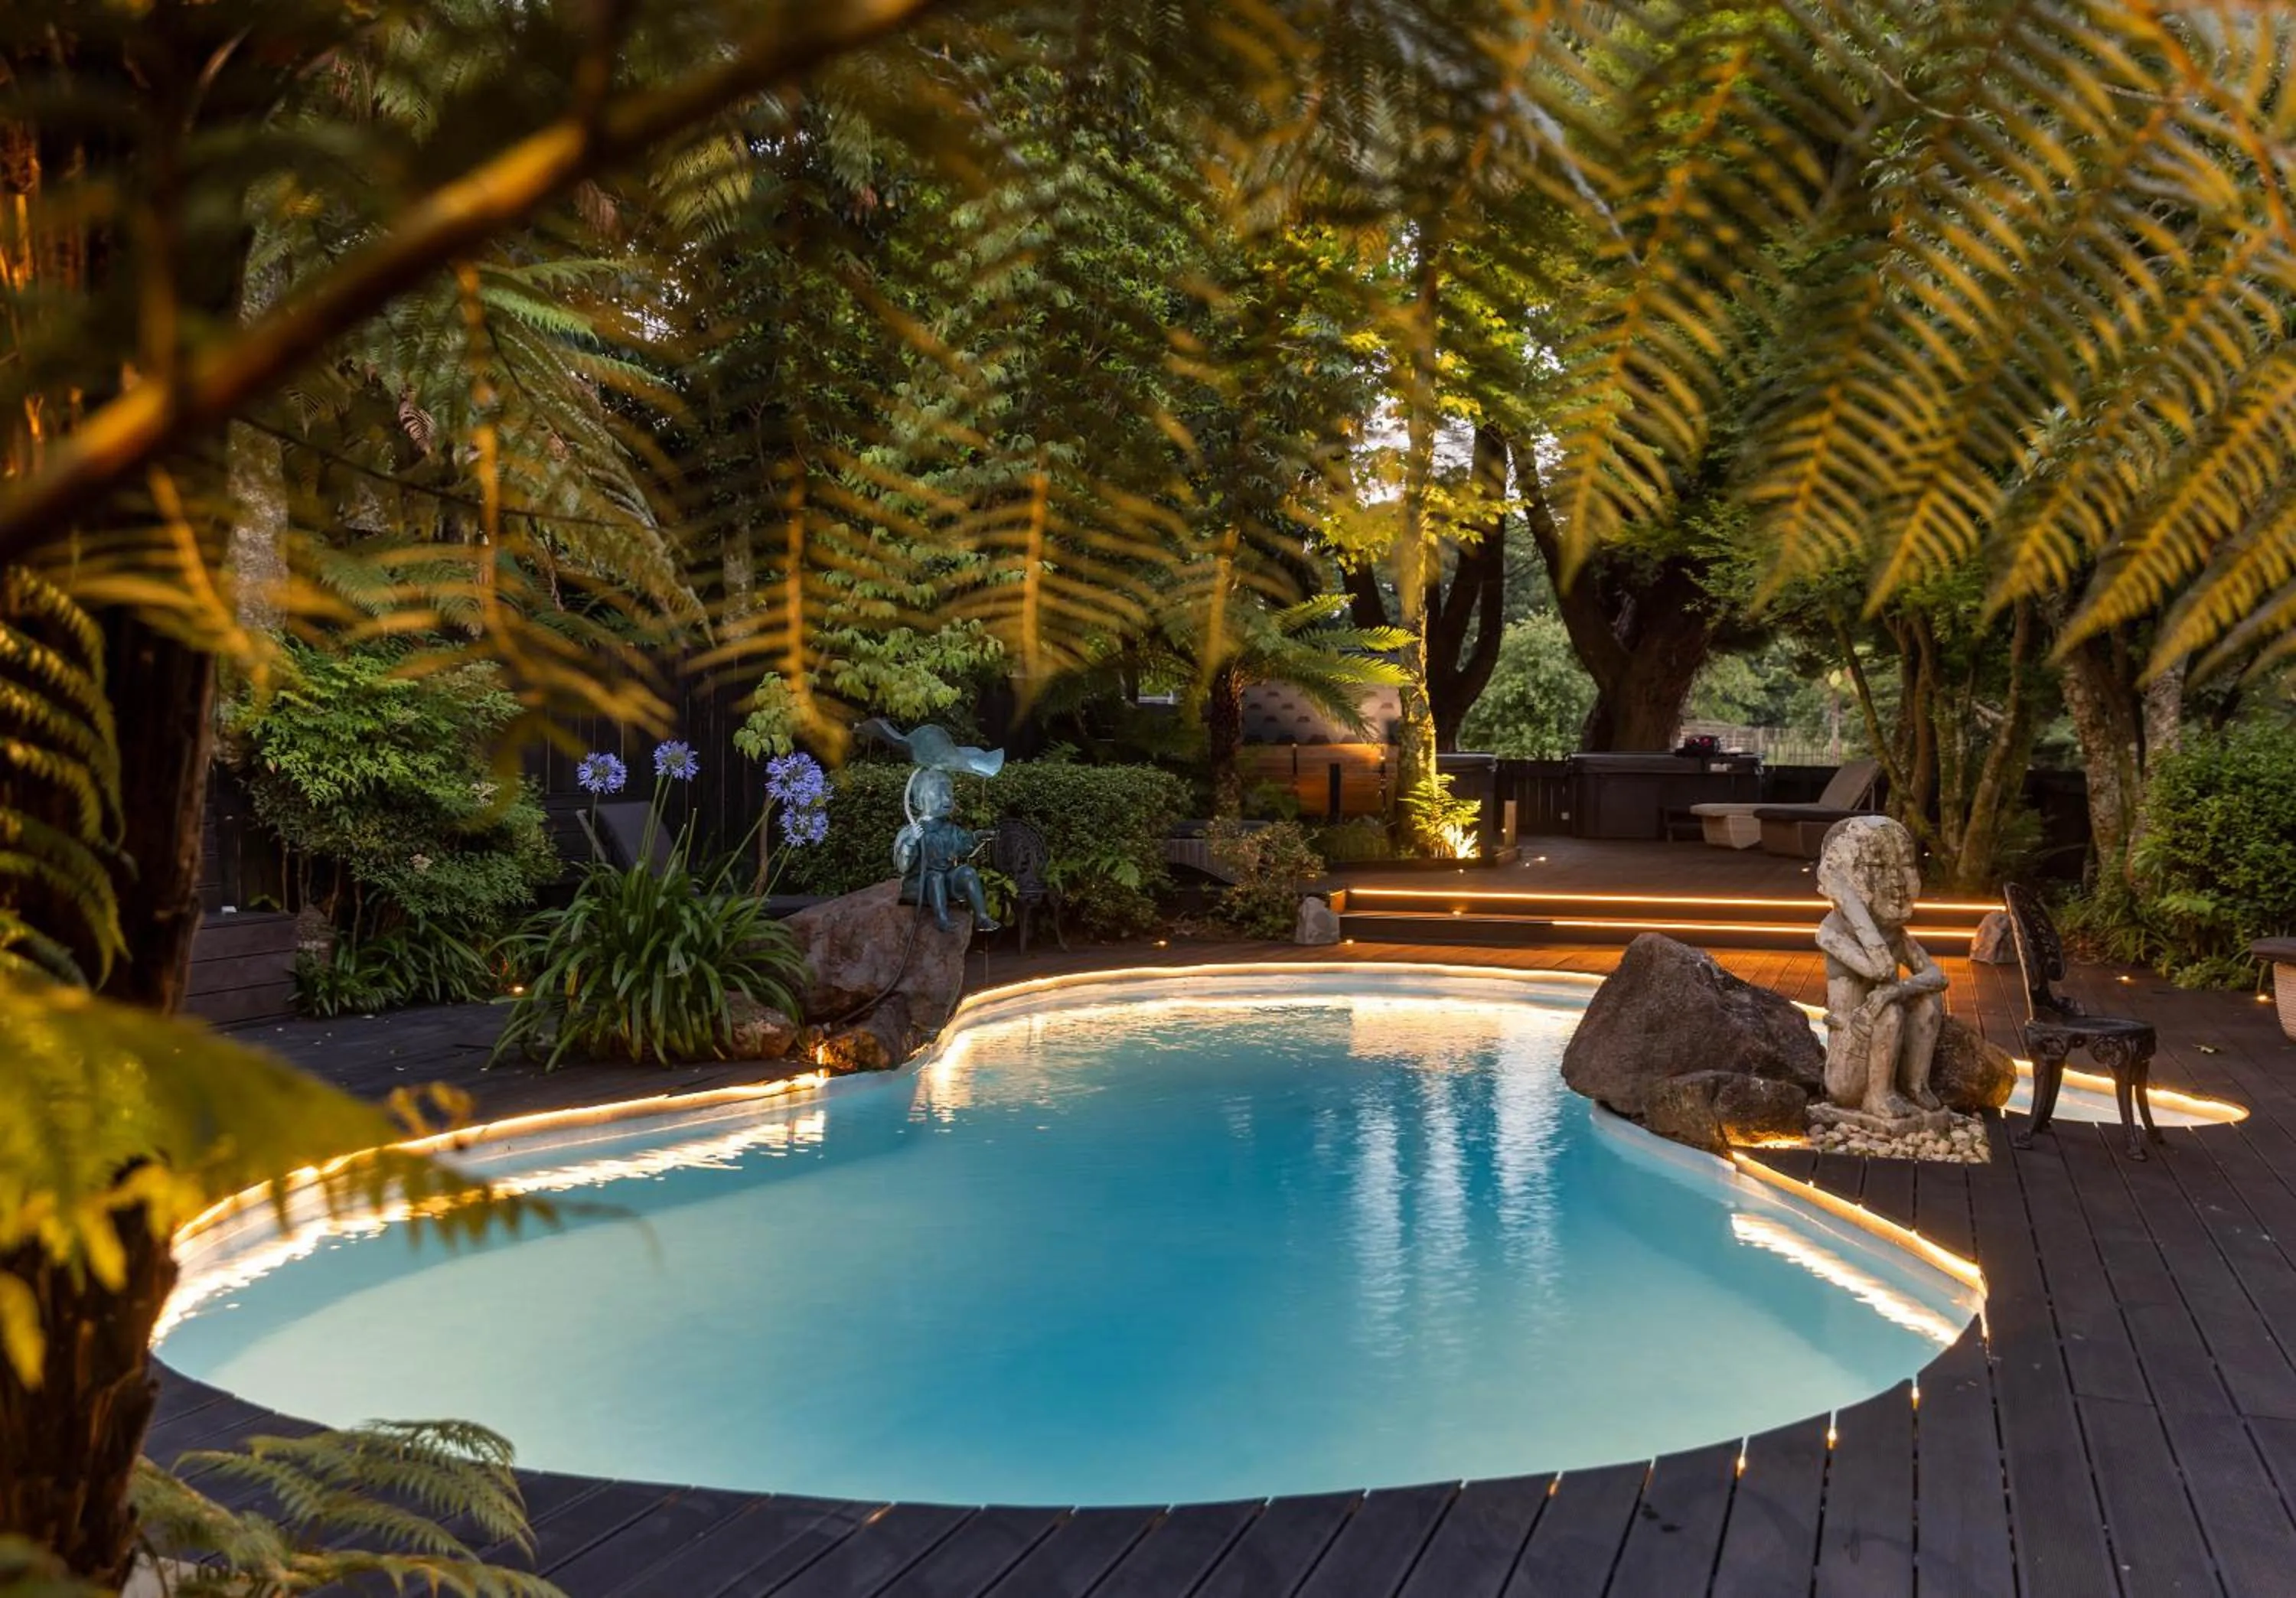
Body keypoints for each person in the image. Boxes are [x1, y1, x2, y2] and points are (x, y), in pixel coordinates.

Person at [1815, 815, 1947, 1125]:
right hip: (1846, 1072)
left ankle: (1915, 1085)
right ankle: (1877, 1097)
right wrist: (1847, 899)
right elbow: (1881, 968)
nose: (1898, 882)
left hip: (1883, 1040)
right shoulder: (1831, 933)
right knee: (1888, 1013)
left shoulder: (1895, 935)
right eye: (1878, 869)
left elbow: (1938, 976)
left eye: (1904, 866)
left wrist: (1898, 990)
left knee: (1928, 1002)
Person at [893, 768, 1000, 934]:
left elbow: (964, 844)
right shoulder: (911, 831)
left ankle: (982, 917)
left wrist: (978, 836)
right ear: (919, 802)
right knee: (935, 877)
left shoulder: (950, 830)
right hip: (920, 884)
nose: (946, 799)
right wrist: (911, 842)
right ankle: (942, 919)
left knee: (967, 872)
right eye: (937, 794)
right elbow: (903, 866)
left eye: (949, 795)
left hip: (946, 880)